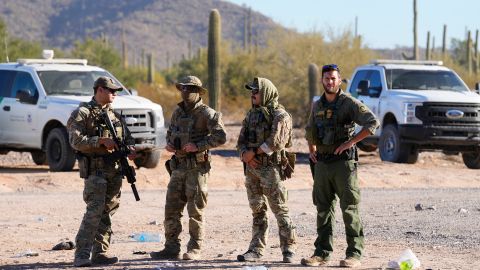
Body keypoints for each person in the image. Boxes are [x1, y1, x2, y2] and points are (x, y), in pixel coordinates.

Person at [301, 64, 379, 268]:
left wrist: (350, 142)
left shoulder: (349, 103)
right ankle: (321, 253)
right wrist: (312, 149)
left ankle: (354, 254)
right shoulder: (317, 105)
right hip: (322, 164)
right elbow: (309, 130)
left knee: (349, 208)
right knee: (323, 209)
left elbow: (372, 123)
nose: (330, 82)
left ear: (339, 80)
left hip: (344, 164)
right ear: (322, 81)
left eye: (334, 78)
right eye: (327, 78)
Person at [150, 75, 226, 261]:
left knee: (195, 211)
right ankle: (171, 247)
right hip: (178, 168)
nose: (185, 91)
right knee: (171, 210)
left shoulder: (207, 114)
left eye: (189, 89)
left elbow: (221, 137)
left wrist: (198, 146)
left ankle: (194, 248)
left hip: (197, 170)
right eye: (183, 88)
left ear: (198, 92)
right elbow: (170, 133)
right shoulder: (178, 112)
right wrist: (169, 144)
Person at [67, 76, 136, 267]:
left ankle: (100, 252)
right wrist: (99, 141)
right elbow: (75, 141)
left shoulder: (115, 116)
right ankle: (81, 254)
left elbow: (127, 139)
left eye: (115, 91)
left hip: (114, 171)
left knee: (107, 212)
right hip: (95, 171)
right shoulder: (82, 113)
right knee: (94, 212)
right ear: (99, 90)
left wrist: (130, 150)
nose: (114, 94)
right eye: (111, 90)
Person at [236, 77, 297, 263]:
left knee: (280, 209)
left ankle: (288, 249)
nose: (252, 94)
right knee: (258, 210)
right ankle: (255, 249)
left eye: (256, 91)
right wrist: (244, 154)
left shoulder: (280, 115)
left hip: (271, 169)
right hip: (252, 169)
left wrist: (252, 153)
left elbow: (276, 142)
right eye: (251, 91)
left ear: (266, 93)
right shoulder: (251, 115)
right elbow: (240, 142)